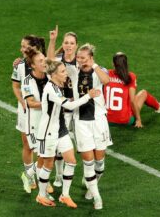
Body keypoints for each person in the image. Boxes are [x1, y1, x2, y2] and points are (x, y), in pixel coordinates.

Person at [35, 59, 101, 207]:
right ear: (53, 74)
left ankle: (65, 195)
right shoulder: (50, 89)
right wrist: (88, 96)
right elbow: (69, 105)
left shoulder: (58, 86)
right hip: (48, 133)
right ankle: (41, 195)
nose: (66, 74)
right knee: (48, 165)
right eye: (63, 71)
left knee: (71, 161)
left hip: (61, 130)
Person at [66, 43, 112, 210]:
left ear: (91, 58)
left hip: (99, 121)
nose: (80, 60)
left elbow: (106, 81)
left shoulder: (100, 71)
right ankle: (97, 197)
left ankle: (93, 186)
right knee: (88, 162)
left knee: (100, 162)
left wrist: (93, 65)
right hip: (81, 122)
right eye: (78, 57)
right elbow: (51, 62)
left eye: (83, 58)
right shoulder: (73, 71)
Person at [11, 35, 46, 191]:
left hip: (43, 110)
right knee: (28, 145)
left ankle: (42, 176)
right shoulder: (19, 65)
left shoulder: (44, 63)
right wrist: (22, 102)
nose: (21, 49)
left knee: (44, 146)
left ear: (34, 48)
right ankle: (30, 176)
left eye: (24, 46)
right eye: (21, 46)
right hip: (26, 110)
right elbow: (16, 86)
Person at [47, 26, 78, 187]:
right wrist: (53, 40)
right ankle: (59, 176)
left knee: (81, 144)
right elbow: (49, 61)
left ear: (76, 45)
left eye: (72, 43)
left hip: (79, 110)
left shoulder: (81, 61)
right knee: (61, 145)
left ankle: (88, 177)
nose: (68, 45)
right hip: (64, 109)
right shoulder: (59, 60)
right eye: (66, 42)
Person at [104, 52, 160, 128]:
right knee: (143, 93)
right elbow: (132, 101)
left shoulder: (106, 74)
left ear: (113, 63)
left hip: (107, 120)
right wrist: (138, 120)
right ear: (127, 63)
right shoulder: (130, 76)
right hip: (126, 121)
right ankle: (159, 107)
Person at [19, 49, 50, 197]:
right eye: (40, 61)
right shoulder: (26, 82)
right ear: (32, 65)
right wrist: (49, 103)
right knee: (43, 156)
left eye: (44, 60)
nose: (44, 63)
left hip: (49, 123)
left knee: (47, 155)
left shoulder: (50, 76)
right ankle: (39, 186)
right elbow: (30, 103)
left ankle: (30, 175)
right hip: (35, 125)